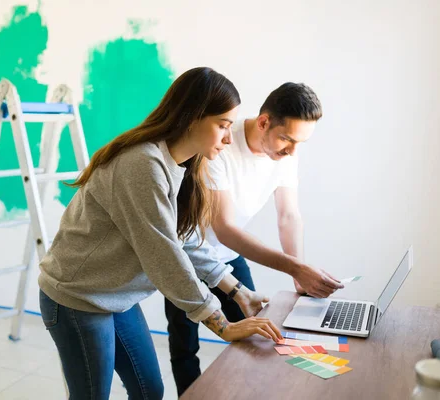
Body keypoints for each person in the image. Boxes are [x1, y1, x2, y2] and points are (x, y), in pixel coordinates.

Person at [37, 67, 283, 400]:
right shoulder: (142, 164)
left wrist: (238, 291)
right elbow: (164, 255)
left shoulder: (185, 163)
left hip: (117, 298)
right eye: (223, 126)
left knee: (149, 390)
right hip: (77, 298)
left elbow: (185, 238)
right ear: (193, 117)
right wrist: (221, 324)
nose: (229, 137)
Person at [165, 82, 345, 395]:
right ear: (263, 122)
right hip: (188, 255)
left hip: (229, 256)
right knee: (185, 346)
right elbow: (225, 228)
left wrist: (299, 274)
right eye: (287, 138)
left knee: (260, 334)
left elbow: (288, 216)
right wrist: (293, 267)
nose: (292, 151)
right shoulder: (218, 143)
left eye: (300, 143)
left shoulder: (287, 154)